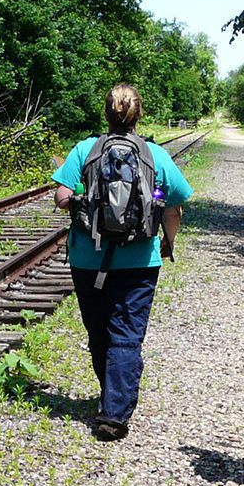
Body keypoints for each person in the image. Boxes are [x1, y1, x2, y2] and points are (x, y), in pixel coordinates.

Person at [50, 84, 193, 441]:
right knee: (126, 334)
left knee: (99, 332)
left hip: (87, 258)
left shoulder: (86, 149)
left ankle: (112, 397)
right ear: (138, 115)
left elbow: (61, 197)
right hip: (139, 262)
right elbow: (174, 207)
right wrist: (167, 242)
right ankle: (114, 412)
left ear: (106, 113)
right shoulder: (155, 155)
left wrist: (82, 198)